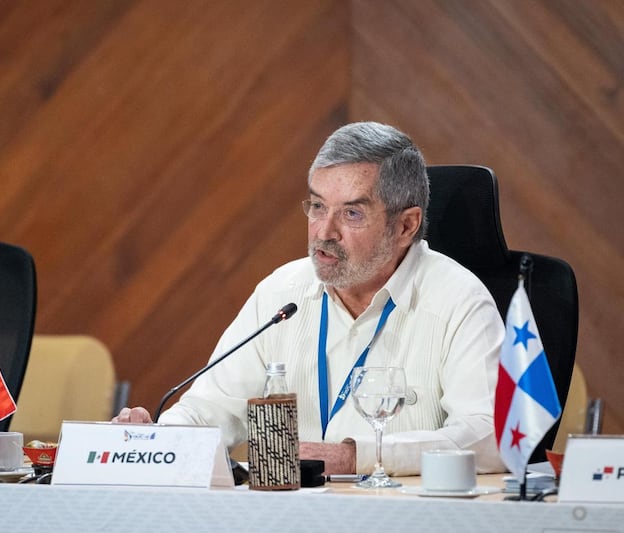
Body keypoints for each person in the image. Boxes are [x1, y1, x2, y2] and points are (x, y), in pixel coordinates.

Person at [114, 121, 506, 475]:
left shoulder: (460, 301)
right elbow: (210, 408)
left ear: (406, 225)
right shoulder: (281, 293)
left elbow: (490, 436)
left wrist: (356, 456)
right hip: (290, 514)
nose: (324, 232)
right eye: (318, 206)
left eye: (351, 214)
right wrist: (157, 440)